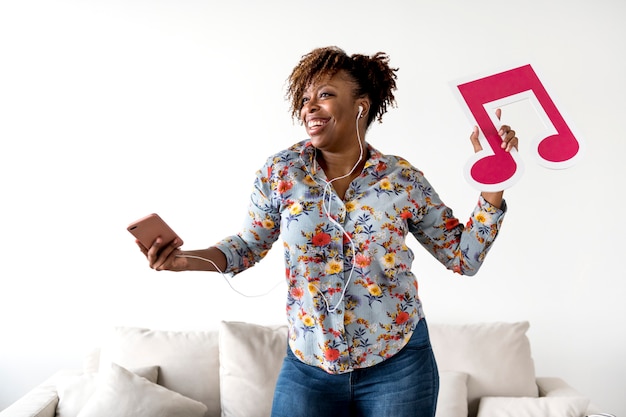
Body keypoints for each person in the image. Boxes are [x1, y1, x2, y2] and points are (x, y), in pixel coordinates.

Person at [137, 46, 518, 417]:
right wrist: (186, 261)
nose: (309, 107)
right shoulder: (281, 173)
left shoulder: (401, 179)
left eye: (325, 95)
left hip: (398, 367)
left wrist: (495, 179)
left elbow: (463, 257)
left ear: (360, 106)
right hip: (309, 367)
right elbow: (247, 246)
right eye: (304, 99)